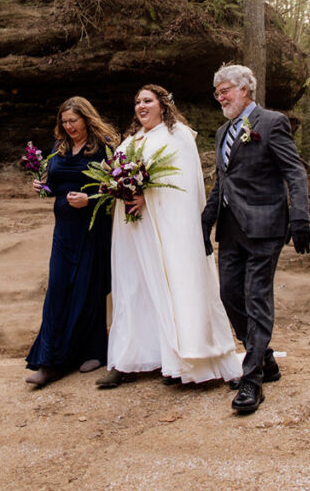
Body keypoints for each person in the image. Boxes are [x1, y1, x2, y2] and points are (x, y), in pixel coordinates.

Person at [96, 84, 240, 388]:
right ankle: (129, 358)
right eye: (137, 101)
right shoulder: (132, 140)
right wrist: (115, 187)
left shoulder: (179, 136)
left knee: (170, 285)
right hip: (133, 228)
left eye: (147, 100)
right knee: (134, 287)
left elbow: (184, 184)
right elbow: (117, 172)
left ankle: (181, 357)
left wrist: (148, 196)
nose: (141, 106)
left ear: (163, 104)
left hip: (164, 226)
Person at [202, 64, 310, 415]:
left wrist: (300, 216)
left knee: (257, 296)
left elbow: (294, 171)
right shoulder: (222, 132)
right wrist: (204, 224)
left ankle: (251, 380)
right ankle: (265, 359)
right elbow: (222, 183)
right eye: (217, 92)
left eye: (225, 91)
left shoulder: (271, 122)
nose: (220, 97)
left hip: (266, 225)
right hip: (231, 229)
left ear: (245, 90)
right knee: (229, 294)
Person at [25, 97, 119, 387]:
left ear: (86, 119)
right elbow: (57, 183)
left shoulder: (104, 146)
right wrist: (43, 187)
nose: (68, 127)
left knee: (88, 288)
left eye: (73, 121)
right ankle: (51, 360)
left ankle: (94, 351)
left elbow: (117, 187)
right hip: (64, 230)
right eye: (64, 122)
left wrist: (89, 199)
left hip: (93, 228)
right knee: (58, 289)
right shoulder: (60, 147)